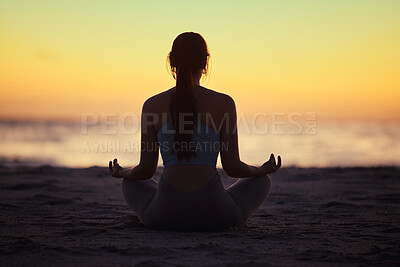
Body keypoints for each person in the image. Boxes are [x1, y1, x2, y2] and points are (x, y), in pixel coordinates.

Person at [109, 32, 281, 231]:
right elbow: (233, 168)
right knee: (262, 182)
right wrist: (261, 170)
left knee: (129, 183)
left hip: (164, 214)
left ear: (171, 62)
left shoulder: (151, 104)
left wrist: (123, 172)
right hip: (216, 214)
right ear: (205, 62)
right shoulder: (224, 102)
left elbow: (146, 171)